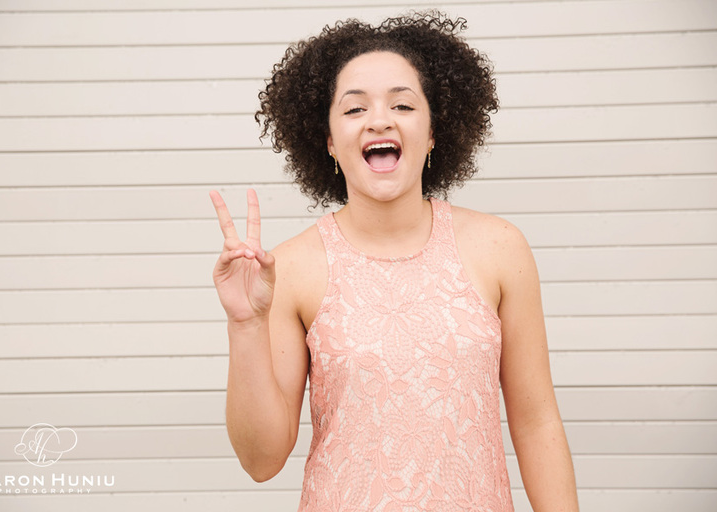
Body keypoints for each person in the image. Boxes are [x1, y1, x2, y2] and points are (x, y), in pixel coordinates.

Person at [210, 11, 579, 511]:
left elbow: (536, 422)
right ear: (328, 142)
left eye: (402, 105)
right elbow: (261, 461)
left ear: (431, 135)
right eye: (354, 109)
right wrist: (246, 325)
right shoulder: (291, 269)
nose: (379, 119)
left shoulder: (500, 248)